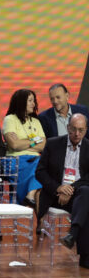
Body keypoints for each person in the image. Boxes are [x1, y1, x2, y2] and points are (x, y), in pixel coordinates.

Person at [35, 113, 89, 267]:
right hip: (55, 196)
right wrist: (59, 188)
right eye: (73, 129)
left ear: (85, 131)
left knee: (86, 193)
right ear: (68, 128)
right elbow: (40, 172)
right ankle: (85, 256)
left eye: (81, 130)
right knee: (87, 204)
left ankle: (73, 234)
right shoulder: (53, 144)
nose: (77, 134)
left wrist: (70, 189)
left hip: (77, 193)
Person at [2, 88, 46, 204]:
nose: (34, 104)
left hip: (35, 159)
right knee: (40, 166)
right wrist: (34, 141)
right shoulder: (10, 119)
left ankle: (30, 195)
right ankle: (29, 195)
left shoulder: (36, 121)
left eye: (34, 101)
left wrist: (23, 143)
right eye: (30, 101)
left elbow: (43, 145)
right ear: (21, 102)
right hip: (16, 160)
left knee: (42, 165)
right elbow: (14, 145)